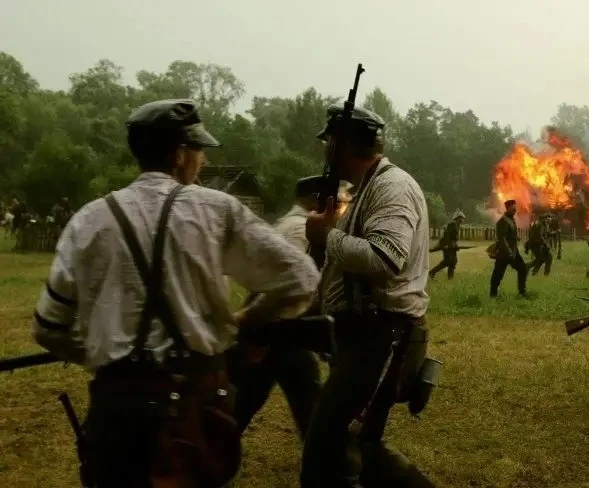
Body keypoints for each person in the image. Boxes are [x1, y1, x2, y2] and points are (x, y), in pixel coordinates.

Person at [30, 98, 321, 486]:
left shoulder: (88, 220)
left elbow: (50, 327)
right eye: (198, 149)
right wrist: (247, 320)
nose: (201, 159)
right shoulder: (216, 210)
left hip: (116, 410)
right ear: (180, 154)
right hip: (194, 405)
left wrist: (106, 355)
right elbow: (300, 275)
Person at [301, 104, 435, 488]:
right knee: (362, 446)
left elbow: (383, 257)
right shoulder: (368, 187)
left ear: (341, 146)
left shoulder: (391, 186)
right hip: (368, 334)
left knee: (325, 449)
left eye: (328, 143)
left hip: (381, 338)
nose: (324, 151)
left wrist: (327, 236)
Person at [226, 174, 327, 438]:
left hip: (274, 327)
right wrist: (259, 327)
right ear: (312, 199)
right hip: (279, 327)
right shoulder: (299, 228)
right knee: (306, 398)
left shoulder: (289, 223)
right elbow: (285, 283)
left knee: (247, 398)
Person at [490, 199, 528, 297]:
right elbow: (502, 238)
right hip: (505, 253)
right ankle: (493, 294)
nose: (515, 209)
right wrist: (509, 253)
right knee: (498, 274)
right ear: (508, 208)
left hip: (513, 251)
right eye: (513, 207)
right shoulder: (503, 221)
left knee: (523, 269)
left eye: (515, 207)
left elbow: (509, 235)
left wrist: (515, 238)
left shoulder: (511, 219)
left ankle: (522, 292)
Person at [429, 209, 465, 280]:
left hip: (451, 246)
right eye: (462, 218)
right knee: (447, 261)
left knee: (453, 261)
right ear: (458, 218)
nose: (463, 220)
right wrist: (447, 245)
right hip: (446, 245)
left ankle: (450, 278)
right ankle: (432, 272)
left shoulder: (457, 225)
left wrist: (455, 246)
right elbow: (447, 235)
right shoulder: (453, 224)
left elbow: (454, 238)